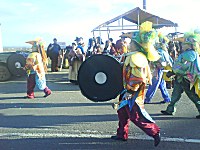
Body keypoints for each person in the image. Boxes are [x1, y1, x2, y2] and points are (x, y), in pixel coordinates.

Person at [111, 21, 161, 147]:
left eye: (131, 42)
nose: (129, 44)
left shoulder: (137, 57)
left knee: (136, 115)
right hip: (126, 89)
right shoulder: (133, 55)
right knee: (122, 112)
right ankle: (122, 134)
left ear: (136, 45)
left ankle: (154, 132)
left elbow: (138, 77)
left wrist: (131, 91)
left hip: (133, 92)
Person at [161, 31, 200, 119]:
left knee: (193, 96)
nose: (182, 45)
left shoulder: (189, 54)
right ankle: (170, 110)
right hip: (181, 78)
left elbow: (185, 66)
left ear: (189, 45)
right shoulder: (189, 53)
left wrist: (173, 71)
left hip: (187, 79)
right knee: (175, 94)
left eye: (184, 44)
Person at [144, 33, 173, 104]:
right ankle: (167, 98)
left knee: (153, 84)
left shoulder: (159, 52)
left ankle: (147, 99)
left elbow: (161, 62)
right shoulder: (164, 51)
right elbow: (170, 61)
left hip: (157, 70)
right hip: (161, 69)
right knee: (161, 84)